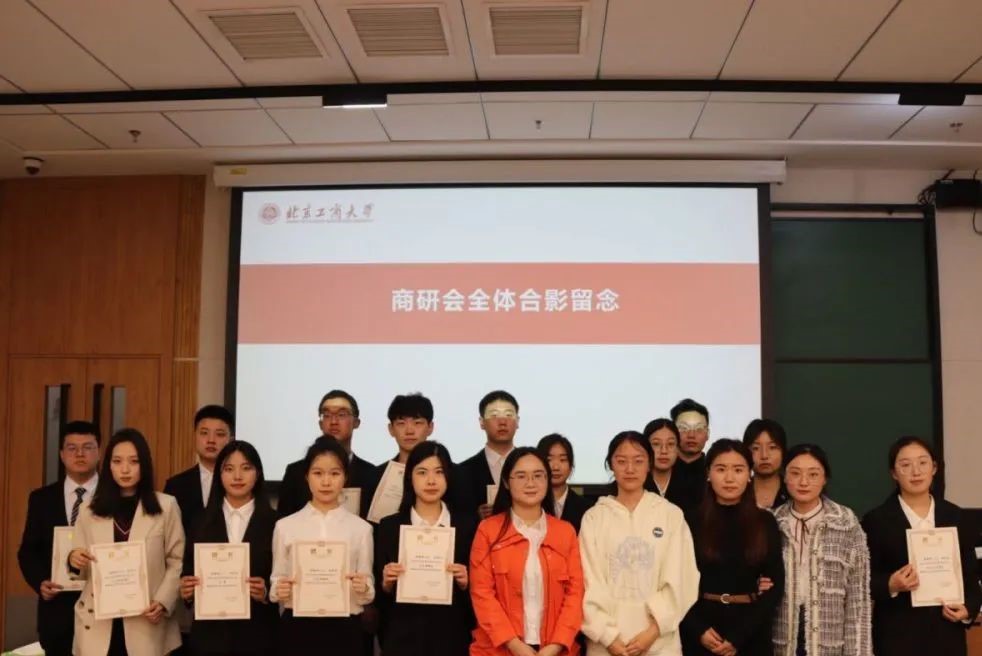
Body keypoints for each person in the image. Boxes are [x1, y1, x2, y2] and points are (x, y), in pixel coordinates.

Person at [579, 431, 699, 656]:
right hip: (606, 646)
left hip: (660, 644)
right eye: (621, 461)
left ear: (649, 465)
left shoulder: (670, 515)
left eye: (638, 461)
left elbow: (683, 578)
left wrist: (653, 631)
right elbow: (587, 581)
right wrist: (608, 637)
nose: (630, 469)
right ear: (610, 465)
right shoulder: (594, 518)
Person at [67, 428, 184, 656]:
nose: (125, 469)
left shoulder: (166, 506)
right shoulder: (88, 510)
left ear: (144, 465)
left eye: (134, 461)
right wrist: (74, 560)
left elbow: (176, 561)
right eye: (117, 461)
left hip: (147, 621)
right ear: (108, 466)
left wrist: (162, 602)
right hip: (98, 624)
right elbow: (80, 570)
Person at [862, 436, 981, 656]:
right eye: (905, 465)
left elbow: (971, 577)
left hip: (947, 636)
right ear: (894, 473)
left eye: (923, 463)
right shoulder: (875, 521)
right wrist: (891, 584)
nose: (915, 471)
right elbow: (862, 580)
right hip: (896, 637)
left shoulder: (956, 516)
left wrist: (967, 610)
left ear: (934, 468)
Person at [469, 447, 584, 656]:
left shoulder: (565, 532)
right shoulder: (488, 530)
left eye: (538, 476)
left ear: (547, 480)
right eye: (521, 476)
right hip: (499, 649)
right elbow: (482, 593)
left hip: (555, 650)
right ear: (506, 482)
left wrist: (555, 645)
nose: (531, 483)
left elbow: (575, 594)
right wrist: (515, 645)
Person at [270, 436, 375, 654]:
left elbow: (367, 587)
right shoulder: (285, 526)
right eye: (318, 473)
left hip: (345, 630)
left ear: (345, 477)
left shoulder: (361, 529)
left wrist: (364, 587)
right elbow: (276, 580)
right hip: (298, 628)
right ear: (306, 476)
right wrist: (279, 589)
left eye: (334, 473)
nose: (326, 482)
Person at [681, 439, 784, 656]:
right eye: (721, 469)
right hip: (700, 633)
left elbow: (775, 586)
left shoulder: (765, 522)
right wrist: (698, 629)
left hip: (751, 634)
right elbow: (676, 582)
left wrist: (740, 636)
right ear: (708, 473)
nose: (729, 478)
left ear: (749, 474)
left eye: (738, 470)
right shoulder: (689, 521)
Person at [374, 441, 476, 656]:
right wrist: (386, 584)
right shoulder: (389, 527)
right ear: (409, 477)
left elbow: (481, 594)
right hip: (402, 640)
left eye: (439, 472)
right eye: (422, 472)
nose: (431, 481)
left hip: (453, 638)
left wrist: (467, 583)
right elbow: (378, 600)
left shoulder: (469, 526)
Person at [179, 441, 278, 656]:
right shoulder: (200, 521)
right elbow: (187, 571)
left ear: (258, 473)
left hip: (258, 636)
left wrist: (266, 591)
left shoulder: (275, 523)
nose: (237, 476)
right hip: (209, 638)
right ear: (219, 475)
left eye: (246, 468)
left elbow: (283, 576)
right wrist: (187, 591)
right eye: (229, 469)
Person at [771, 444, 871, 656]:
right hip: (780, 638)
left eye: (813, 474)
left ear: (825, 479)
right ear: (784, 477)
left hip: (830, 640)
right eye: (795, 473)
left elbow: (858, 598)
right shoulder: (771, 523)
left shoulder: (846, 523)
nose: (804, 482)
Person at [17, 420, 101, 656]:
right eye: (72, 448)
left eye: (88, 447)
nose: (80, 454)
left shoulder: (115, 496)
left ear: (99, 452)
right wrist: (40, 582)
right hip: (56, 614)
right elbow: (28, 551)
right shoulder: (41, 499)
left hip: (102, 611)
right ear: (62, 454)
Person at [277, 390, 379, 519]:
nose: (333, 421)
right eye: (327, 415)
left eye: (341, 414)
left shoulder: (371, 474)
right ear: (320, 424)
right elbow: (285, 521)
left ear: (356, 422)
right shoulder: (296, 472)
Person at [164, 405, 234, 538]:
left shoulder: (240, 483)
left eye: (219, 434)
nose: (211, 440)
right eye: (204, 433)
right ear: (194, 436)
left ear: (231, 440)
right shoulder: (175, 486)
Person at [457, 390, 520, 520]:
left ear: (517, 421)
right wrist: (475, 517)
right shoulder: (462, 472)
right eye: (494, 415)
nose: (502, 422)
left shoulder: (534, 467)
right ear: (481, 422)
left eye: (509, 415)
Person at [537, 433, 592, 533]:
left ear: (571, 467)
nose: (556, 467)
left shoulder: (587, 509)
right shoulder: (531, 504)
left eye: (562, 460)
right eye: (549, 460)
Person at [669, 399, 710, 510]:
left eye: (699, 429)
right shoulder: (661, 470)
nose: (691, 435)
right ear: (673, 432)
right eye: (683, 428)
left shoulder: (713, 472)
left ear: (708, 434)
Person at [642, 418, 690, 511]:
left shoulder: (693, 485)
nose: (664, 451)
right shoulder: (634, 482)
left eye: (671, 444)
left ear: (678, 448)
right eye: (656, 444)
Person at [742, 419, 790, 509]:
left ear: (783, 452)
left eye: (772, 447)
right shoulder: (738, 493)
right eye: (756, 448)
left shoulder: (794, 492)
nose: (764, 456)